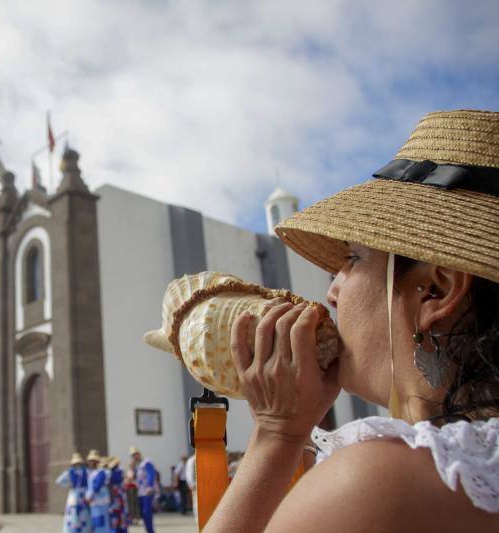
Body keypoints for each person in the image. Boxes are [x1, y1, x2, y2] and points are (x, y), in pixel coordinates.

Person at [205, 109, 499, 532]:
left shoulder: (376, 482)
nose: (333, 291)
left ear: (435, 290)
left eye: (352, 259)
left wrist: (276, 435)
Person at [55, 452, 91, 532]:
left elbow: (91, 480)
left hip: (83, 494)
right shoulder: (70, 472)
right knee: (73, 512)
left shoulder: (86, 471)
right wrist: (69, 485)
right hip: (74, 494)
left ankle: (84, 529)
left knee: (84, 513)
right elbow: (59, 481)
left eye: (78, 463)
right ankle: (74, 529)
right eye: (76, 463)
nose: (77, 464)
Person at [130, 446, 156, 533]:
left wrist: (149, 486)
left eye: (136, 454)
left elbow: (151, 474)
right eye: (133, 455)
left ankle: (150, 531)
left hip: (147, 492)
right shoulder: (137, 466)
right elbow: (133, 478)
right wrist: (132, 468)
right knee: (143, 514)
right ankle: (148, 530)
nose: (135, 457)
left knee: (147, 513)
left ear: (139, 454)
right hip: (140, 493)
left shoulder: (146, 462)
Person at [86, 451, 110, 532]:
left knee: (101, 521)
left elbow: (97, 486)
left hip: (100, 500)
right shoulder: (92, 473)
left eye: (92, 460)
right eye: (89, 461)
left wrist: (90, 496)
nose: (90, 462)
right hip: (94, 501)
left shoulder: (101, 472)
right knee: (96, 521)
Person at [107, 456, 130, 533]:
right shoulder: (112, 472)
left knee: (119, 518)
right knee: (118, 518)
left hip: (117, 497)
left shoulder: (116, 472)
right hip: (116, 497)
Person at [184, 454, 196, 523]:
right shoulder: (192, 460)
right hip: (196, 485)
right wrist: (191, 484)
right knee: (196, 502)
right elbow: (189, 473)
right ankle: (197, 518)